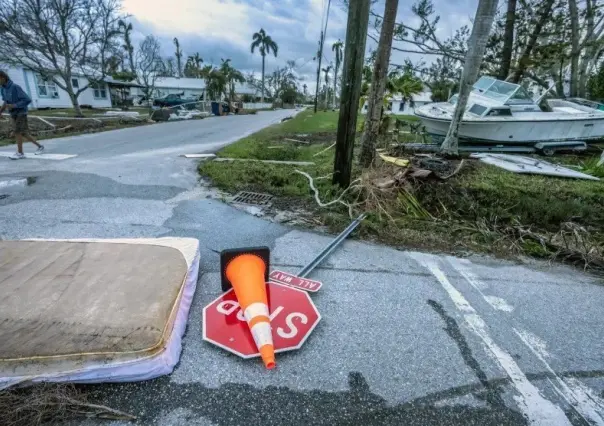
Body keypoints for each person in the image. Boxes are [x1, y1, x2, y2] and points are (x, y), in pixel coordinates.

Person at [0, 70, 44, 160]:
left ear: (3, 78)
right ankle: (40, 146)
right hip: (13, 113)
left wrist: (14, 105)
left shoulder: (15, 87)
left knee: (17, 131)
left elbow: (27, 100)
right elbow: (5, 101)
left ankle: (20, 153)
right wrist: (0, 111)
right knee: (23, 133)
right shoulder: (2, 89)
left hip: (21, 112)